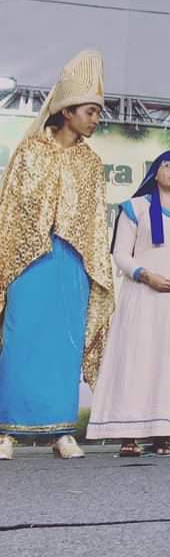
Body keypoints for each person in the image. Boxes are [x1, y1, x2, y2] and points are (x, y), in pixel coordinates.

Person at [0, 50, 114, 461]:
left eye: (98, 113)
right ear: (67, 112)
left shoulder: (91, 163)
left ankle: (62, 431)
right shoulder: (30, 151)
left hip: (72, 263)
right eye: (90, 111)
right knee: (20, 340)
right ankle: (6, 431)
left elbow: (94, 222)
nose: (95, 119)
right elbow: (12, 210)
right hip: (28, 259)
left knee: (65, 344)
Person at [86, 151, 170, 456]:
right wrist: (145, 274)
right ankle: (128, 434)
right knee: (135, 361)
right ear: (155, 172)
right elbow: (120, 254)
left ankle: (163, 433)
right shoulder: (135, 207)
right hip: (142, 296)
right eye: (168, 165)